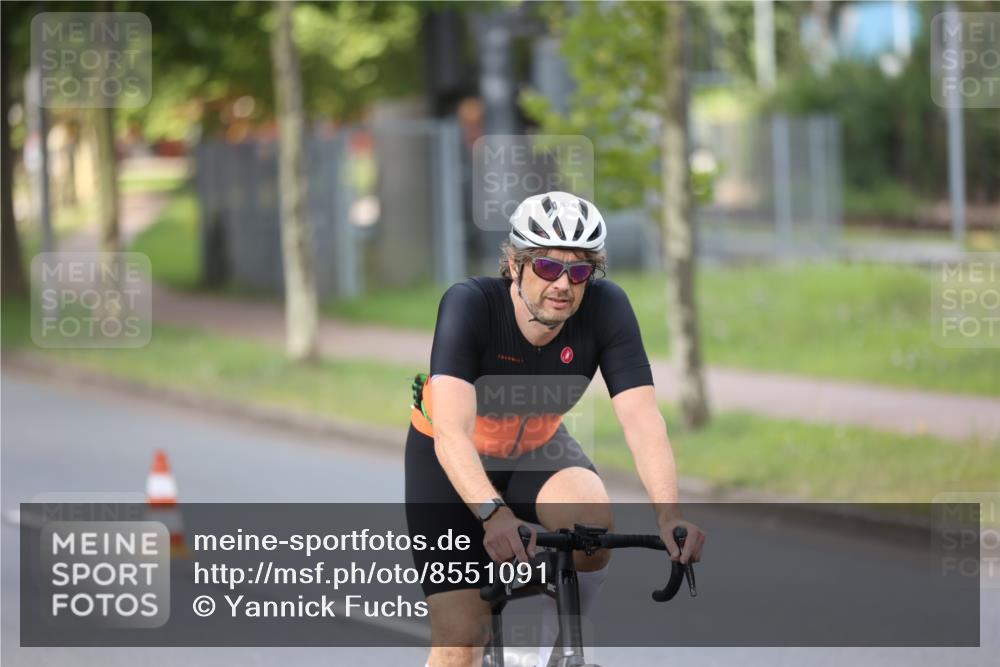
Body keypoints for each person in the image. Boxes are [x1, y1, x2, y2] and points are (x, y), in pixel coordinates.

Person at [405, 191, 706, 667]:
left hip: (536, 449)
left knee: (591, 527)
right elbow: (451, 435)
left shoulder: (607, 308)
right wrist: (493, 514)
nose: (563, 284)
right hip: (451, 459)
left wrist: (669, 516)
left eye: (579, 271)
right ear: (514, 263)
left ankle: (554, 655)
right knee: (462, 639)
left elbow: (643, 421)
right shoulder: (470, 304)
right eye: (547, 267)